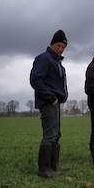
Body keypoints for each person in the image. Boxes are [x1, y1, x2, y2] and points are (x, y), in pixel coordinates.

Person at [30, 30, 68, 178]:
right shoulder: (44, 58)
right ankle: (44, 169)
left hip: (56, 103)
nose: (61, 48)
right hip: (47, 103)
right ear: (52, 44)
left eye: (63, 47)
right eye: (58, 45)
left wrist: (60, 98)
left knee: (57, 134)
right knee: (50, 134)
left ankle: (54, 166)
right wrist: (51, 97)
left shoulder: (58, 62)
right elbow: (35, 80)